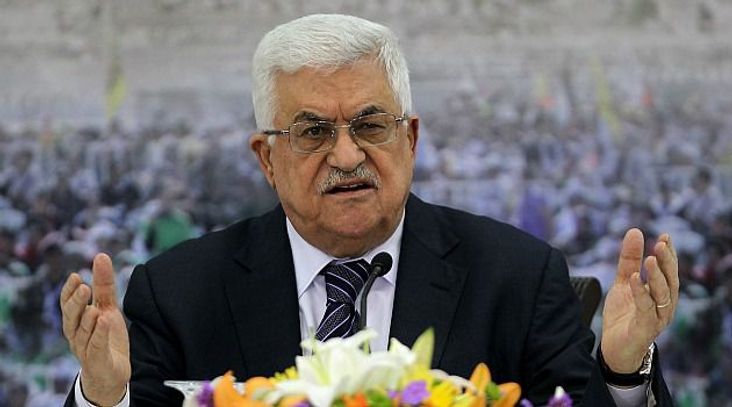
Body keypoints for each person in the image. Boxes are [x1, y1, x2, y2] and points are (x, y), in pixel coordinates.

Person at [61, 14, 679, 407]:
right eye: (312, 132)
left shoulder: (516, 277)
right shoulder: (179, 292)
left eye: (371, 124)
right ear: (267, 159)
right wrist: (105, 398)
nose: (347, 155)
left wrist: (622, 373)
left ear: (411, 139)